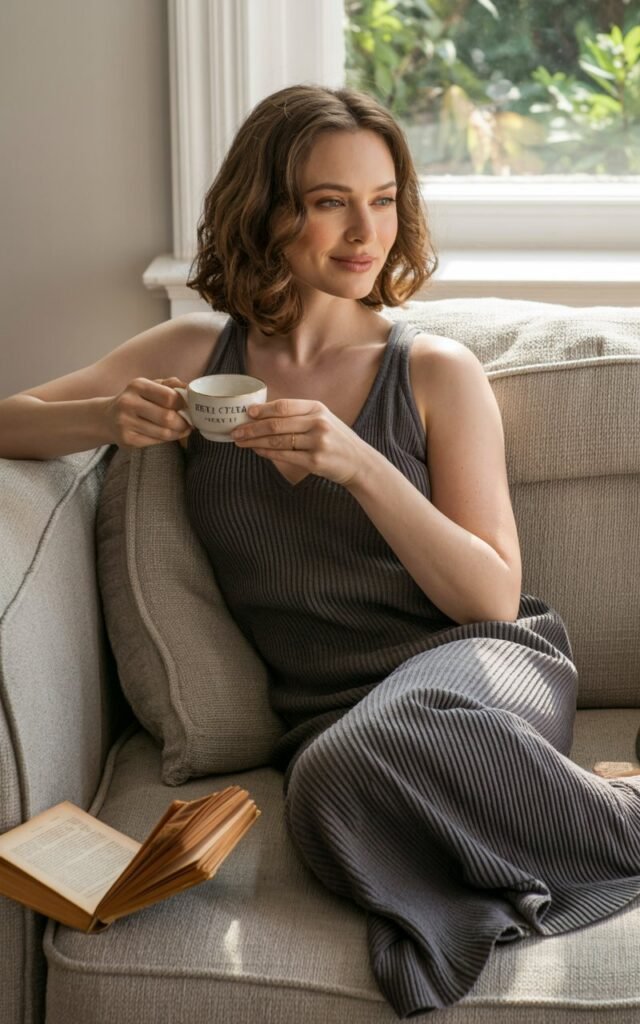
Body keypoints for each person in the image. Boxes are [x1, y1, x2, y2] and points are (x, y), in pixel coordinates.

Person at [1, 83, 640, 1018]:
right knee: (333, 788)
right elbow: (12, 420)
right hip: (333, 716)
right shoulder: (194, 351)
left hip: (477, 667)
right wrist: (107, 415)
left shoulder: (432, 372)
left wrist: (360, 465)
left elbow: (492, 600)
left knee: (361, 763)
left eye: (382, 201)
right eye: (329, 200)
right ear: (267, 209)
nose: (364, 231)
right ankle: (556, 803)